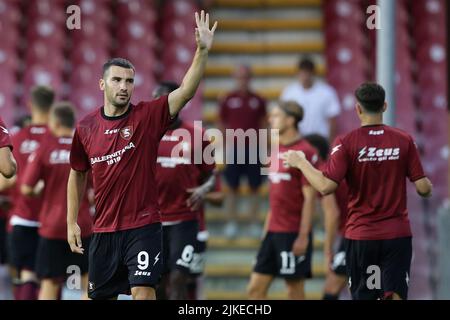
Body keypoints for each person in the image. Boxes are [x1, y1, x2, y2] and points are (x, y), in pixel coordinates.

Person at [67, 11, 217, 300]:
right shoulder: (85, 127)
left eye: (129, 81)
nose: (124, 87)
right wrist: (71, 220)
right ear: (102, 84)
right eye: (117, 80)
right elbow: (77, 173)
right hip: (104, 228)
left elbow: (185, 91)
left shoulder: (146, 116)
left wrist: (201, 51)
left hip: (144, 226)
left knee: (144, 292)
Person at [283, 82, 433, 300]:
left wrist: (301, 162)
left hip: (362, 236)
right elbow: (422, 188)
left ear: (358, 109)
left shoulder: (346, 142)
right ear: (384, 106)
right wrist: (427, 186)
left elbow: (325, 186)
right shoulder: (404, 140)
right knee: (395, 295)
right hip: (396, 236)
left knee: (366, 296)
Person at [247, 101, 318, 300]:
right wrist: (265, 232)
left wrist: (303, 236)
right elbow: (274, 198)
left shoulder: (305, 151)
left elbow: (310, 200)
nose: (270, 119)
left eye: (276, 115)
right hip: (272, 232)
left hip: (293, 233)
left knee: (294, 291)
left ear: (290, 119)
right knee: (255, 289)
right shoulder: (275, 149)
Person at [21, 103, 93, 300]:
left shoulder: (45, 148)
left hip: (52, 226)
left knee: (50, 283)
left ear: (56, 121)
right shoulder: (85, 147)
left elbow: (27, 188)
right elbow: (96, 190)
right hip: (82, 225)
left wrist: (43, 190)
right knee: (87, 282)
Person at [152, 81, 216, 300]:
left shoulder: (198, 136)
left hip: (184, 220)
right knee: (157, 282)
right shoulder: (145, 135)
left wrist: (203, 190)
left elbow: (211, 176)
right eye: (155, 99)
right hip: (151, 222)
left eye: (163, 99)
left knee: (180, 279)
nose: (158, 104)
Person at [9, 85, 55, 300]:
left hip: (23, 219)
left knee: (26, 276)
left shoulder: (17, 139)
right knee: (51, 280)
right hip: (52, 223)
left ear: (30, 104)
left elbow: (4, 181)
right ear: (52, 106)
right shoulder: (57, 139)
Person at [218, 65, 267, 238]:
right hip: (234, 149)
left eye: (245, 77)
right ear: (235, 78)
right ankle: (232, 222)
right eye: (239, 77)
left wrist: (264, 149)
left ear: (250, 78)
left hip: (253, 149)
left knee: (255, 187)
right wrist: (223, 148)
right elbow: (222, 124)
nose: (242, 80)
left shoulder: (259, 100)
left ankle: (254, 223)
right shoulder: (227, 99)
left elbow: (264, 124)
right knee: (232, 187)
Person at [303, 134, 349, 300]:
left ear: (313, 152)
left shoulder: (321, 173)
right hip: (358, 231)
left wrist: (328, 251)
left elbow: (332, 213)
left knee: (332, 286)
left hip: (355, 233)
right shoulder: (331, 167)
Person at [280, 57, 340, 141]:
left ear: (313, 73)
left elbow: (332, 121)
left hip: (320, 140)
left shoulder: (327, 92)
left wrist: (330, 143)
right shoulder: (289, 93)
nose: (305, 76)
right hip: (296, 140)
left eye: (307, 73)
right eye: (302, 72)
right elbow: (284, 118)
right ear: (298, 73)